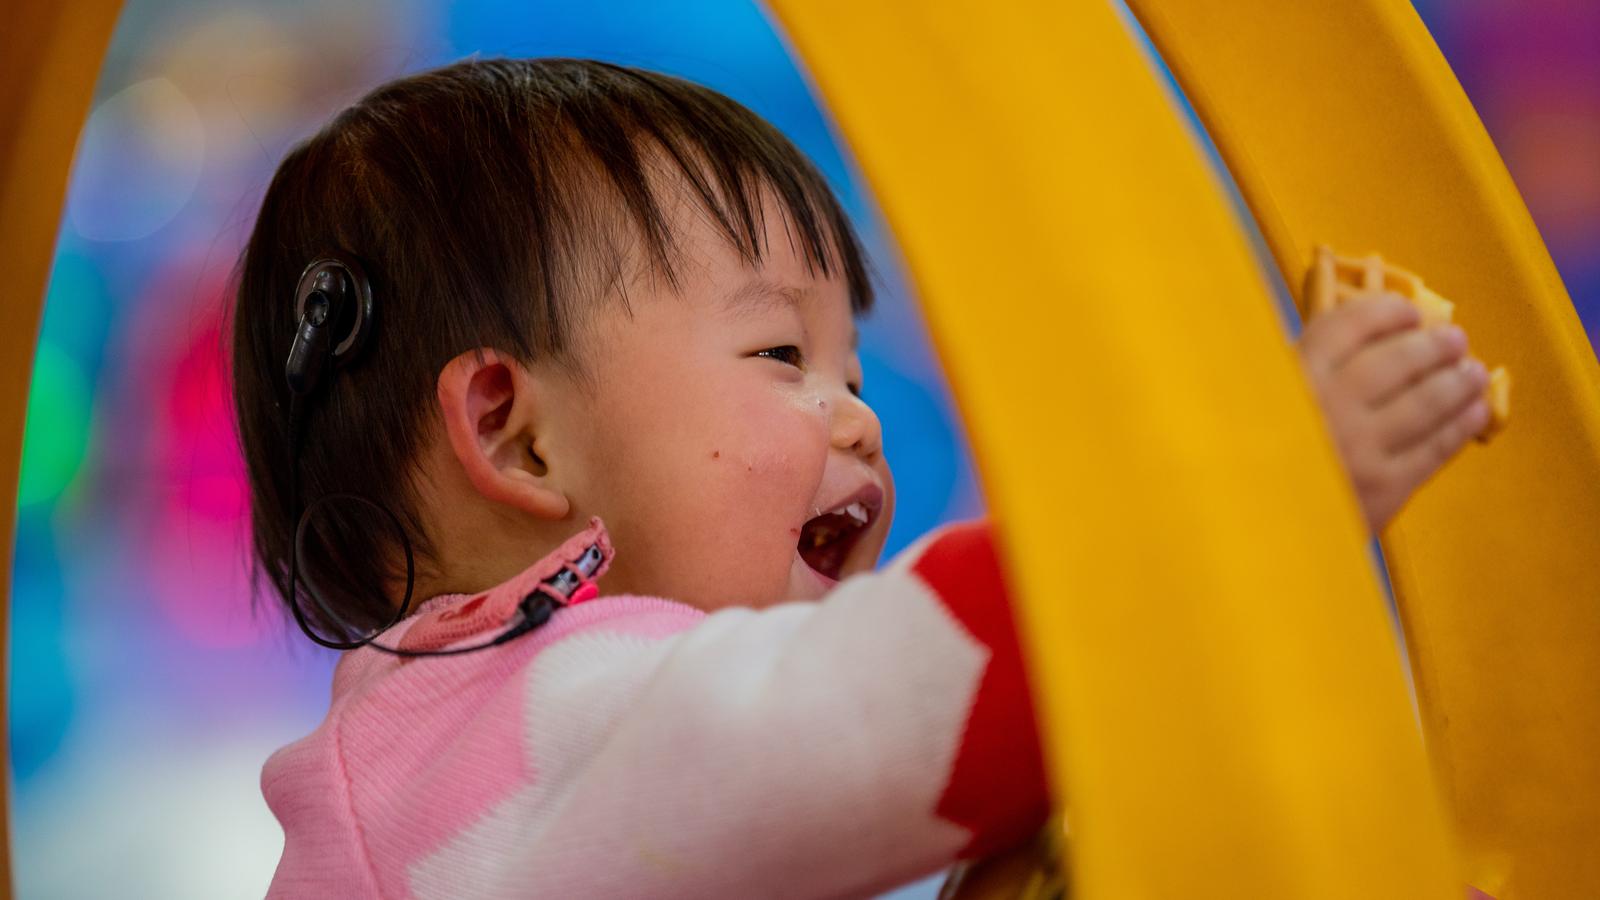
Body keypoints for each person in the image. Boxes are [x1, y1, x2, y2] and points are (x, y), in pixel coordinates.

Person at [231, 58, 1492, 898]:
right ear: (516, 437)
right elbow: (874, 707)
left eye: (854, 370)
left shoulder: (473, 753)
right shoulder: (526, 726)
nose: (860, 423)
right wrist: (1237, 502)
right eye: (782, 353)